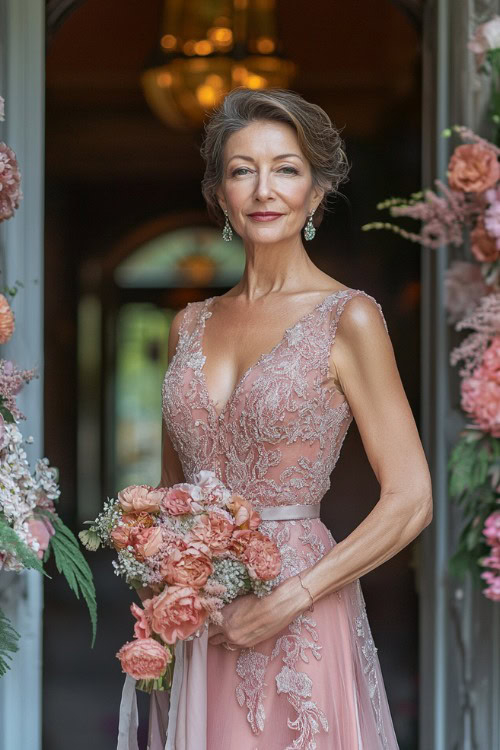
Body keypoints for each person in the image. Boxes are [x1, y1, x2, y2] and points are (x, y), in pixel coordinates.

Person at [146, 87, 432, 749]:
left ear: (318, 191)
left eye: (287, 168)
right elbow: (171, 492)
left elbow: (411, 499)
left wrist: (291, 598)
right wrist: (159, 584)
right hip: (198, 617)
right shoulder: (188, 323)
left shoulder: (348, 318)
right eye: (243, 169)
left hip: (298, 614)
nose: (263, 188)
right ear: (218, 193)